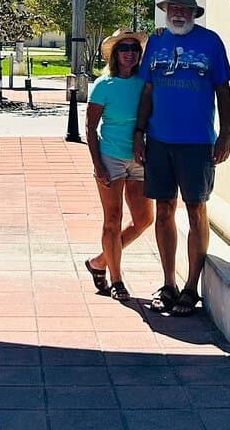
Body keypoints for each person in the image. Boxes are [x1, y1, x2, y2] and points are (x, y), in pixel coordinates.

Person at [133, 0, 230, 317]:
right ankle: (168, 283)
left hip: (198, 142)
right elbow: (147, 89)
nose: (178, 13)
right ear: (166, 11)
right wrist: (139, 132)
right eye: (173, 8)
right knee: (163, 211)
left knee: (196, 211)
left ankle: (191, 287)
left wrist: (225, 135)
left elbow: (223, 90)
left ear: (193, 13)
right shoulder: (157, 41)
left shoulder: (210, 42)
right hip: (159, 141)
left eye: (184, 9)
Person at [83, 30, 154, 300]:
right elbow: (90, 127)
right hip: (110, 157)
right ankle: (116, 279)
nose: (129, 52)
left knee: (144, 219)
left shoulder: (144, 83)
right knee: (113, 220)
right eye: (123, 48)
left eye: (134, 48)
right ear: (115, 53)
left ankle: (100, 261)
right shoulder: (104, 85)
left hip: (138, 158)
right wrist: (97, 164)